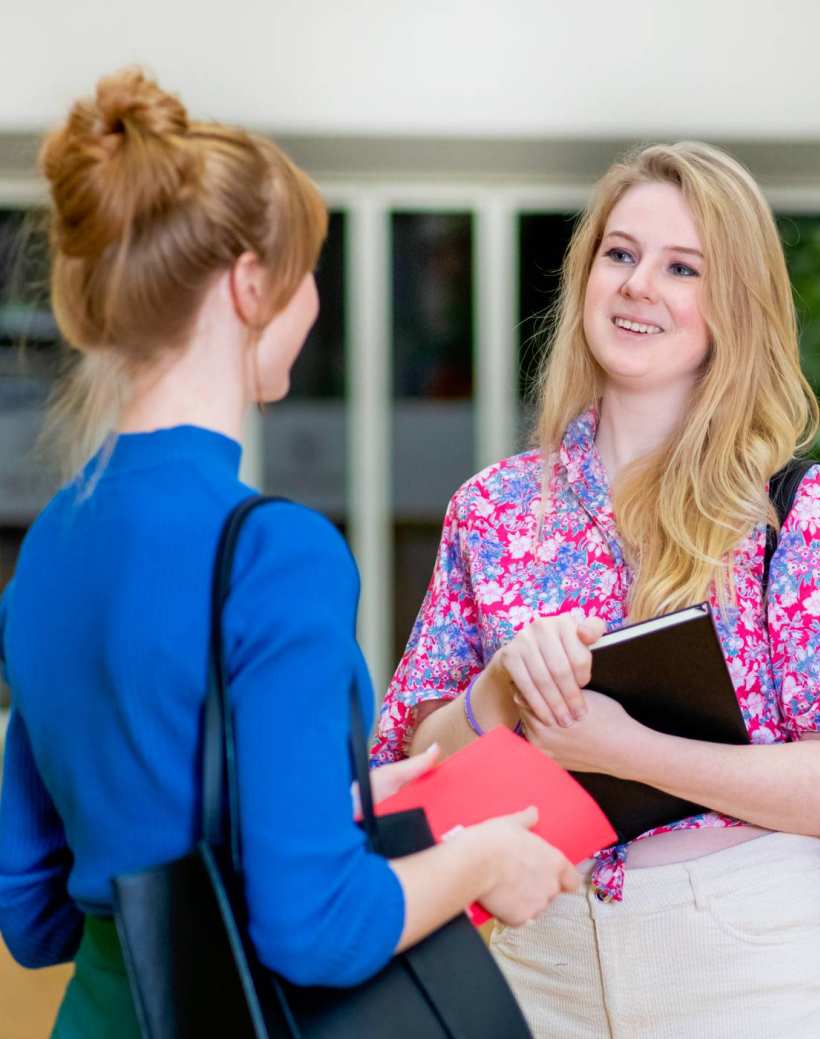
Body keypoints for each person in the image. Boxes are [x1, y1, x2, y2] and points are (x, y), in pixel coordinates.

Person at [0, 68, 578, 1039]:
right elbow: (314, 930)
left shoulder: (49, 548)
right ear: (249, 284)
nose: (312, 301)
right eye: (309, 269)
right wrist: (483, 862)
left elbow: (33, 908)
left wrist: (329, 797)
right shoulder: (276, 553)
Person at [373, 141, 820, 1038]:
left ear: (733, 307)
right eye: (620, 253)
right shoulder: (493, 509)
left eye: (683, 267)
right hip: (536, 951)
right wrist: (497, 693)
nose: (640, 285)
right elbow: (413, 756)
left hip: (746, 959)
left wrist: (627, 749)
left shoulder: (797, 512)